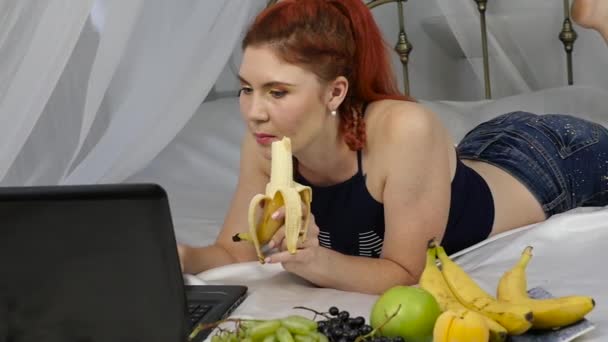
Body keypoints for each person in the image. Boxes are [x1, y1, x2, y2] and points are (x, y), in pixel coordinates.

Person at [178, 0, 608, 295]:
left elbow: (406, 273)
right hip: (476, 151)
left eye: (277, 92)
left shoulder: (405, 130)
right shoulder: (266, 144)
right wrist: (175, 256)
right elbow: (234, 252)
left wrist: (314, 261)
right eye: (247, 89)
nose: (254, 112)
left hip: (548, 162)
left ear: (335, 93)